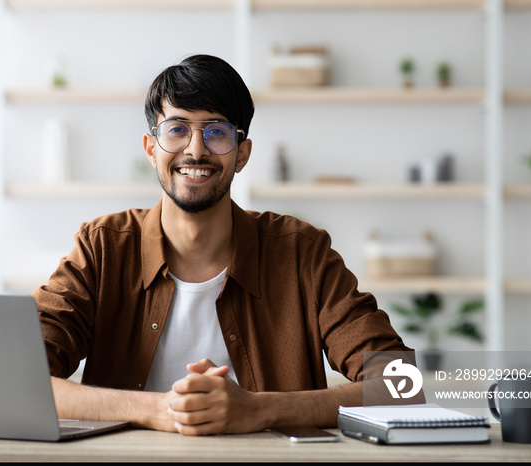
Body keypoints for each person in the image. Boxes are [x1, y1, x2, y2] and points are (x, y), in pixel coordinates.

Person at [31, 54, 418, 436]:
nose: (196, 150)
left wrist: (260, 409)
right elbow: (17, 375)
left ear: (242, 154)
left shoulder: (303, 253)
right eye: (177, 129)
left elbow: (402, 386)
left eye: (216, 132)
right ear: (152, 149)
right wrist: (156, 408)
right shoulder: (102, 248)